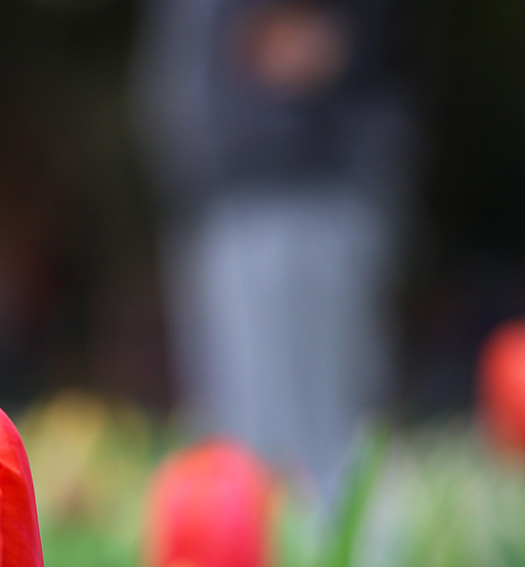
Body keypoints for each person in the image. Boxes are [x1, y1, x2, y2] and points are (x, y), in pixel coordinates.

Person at [135, 0, 413, 501]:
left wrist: (316, 41)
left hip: (300, 187)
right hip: (224, 190)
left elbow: (332, 37)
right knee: (243, 440)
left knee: (313, 450)